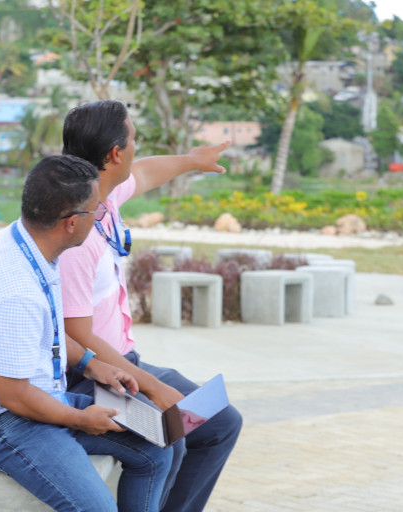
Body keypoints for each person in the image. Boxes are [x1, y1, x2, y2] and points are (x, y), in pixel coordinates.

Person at [0, 154, 172, 512]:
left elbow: (46, 330)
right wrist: (82, 420)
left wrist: (92, 365)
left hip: (44, 397)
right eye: (96, 211)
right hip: (1, 425)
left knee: (158, 444)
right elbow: (13, 395)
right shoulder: (14, 292)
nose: (100, 217)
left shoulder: (31, 243)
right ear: (71, 222)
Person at [58, 100, 243, 512]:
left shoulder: (104, 199)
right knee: (171, 434)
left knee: (220, 422)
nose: (136, 150)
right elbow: (76, 337)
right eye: (133, 140)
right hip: (91, 375)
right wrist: (152, 386)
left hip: (127, 363)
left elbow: (143, 173)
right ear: (114, 154)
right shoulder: (76, 234)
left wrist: (192, 161)